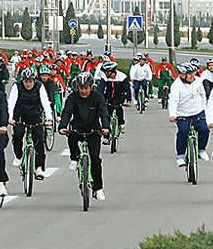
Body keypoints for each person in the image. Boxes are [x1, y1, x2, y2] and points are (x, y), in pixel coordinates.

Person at [57, 72, 109, 201]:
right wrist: (62, 126)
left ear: (91, 87)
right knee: (71, 137)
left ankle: (98, 188)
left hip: (94, 130)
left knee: (95, 159)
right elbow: (67, 112)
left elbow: (103, 113)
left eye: (86, 88)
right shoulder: (73, 97)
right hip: (77, 128)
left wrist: (106, 127)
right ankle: (74, 158)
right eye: (81, 88)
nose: (84, 91)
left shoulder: (98, 97)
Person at [7, 68, 54, 178]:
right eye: (26, 81)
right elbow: (11, 102)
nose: (28, 84)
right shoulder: (17, 86)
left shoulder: (39, 86)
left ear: (34, 80)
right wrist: (10, 118)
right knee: (18, 135)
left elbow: (45, 103)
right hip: (20, 116)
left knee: (39, 141)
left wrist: (48, 119)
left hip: (35, 116)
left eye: (30, 81)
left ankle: (39, 168)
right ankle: (18, 156)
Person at [168, 62, 211, 167]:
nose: (192, 76)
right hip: (183, 113)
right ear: (182, 75)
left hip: (198, 111)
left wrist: (205, 109)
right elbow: (173, 100)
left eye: (193, 73)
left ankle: (201, 149)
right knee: (183, 131)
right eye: (190, 74)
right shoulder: (176, 85)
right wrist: (173, 114)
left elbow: (203, 95)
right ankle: (180, 156)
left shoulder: (198, 82)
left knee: (205, 129)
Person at [96, 61, 129, 138]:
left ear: (111, 72)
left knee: (118, 108)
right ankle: (106, 137)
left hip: (119, 96)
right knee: (106, 114)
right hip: (108, 97)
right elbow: (100, 89)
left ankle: (121, 123)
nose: (105, 74)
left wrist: (128, 99)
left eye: (107, 72)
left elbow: (127, 89)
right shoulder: (104, 78)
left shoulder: (122, 77)